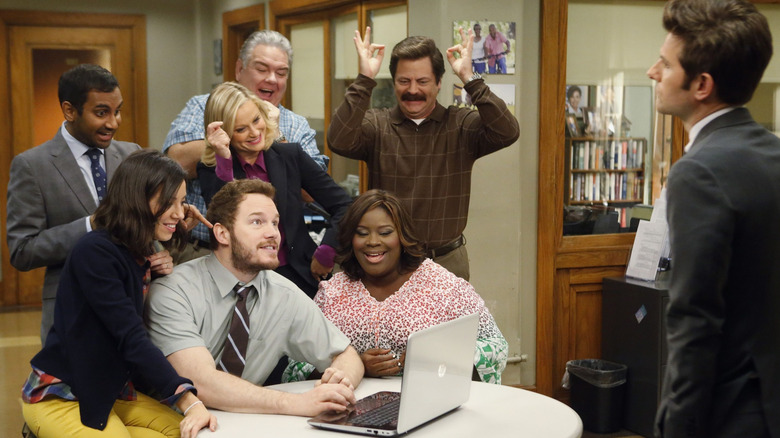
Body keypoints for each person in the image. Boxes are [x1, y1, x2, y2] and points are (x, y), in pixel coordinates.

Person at [647, 1, 780, 437]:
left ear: (701, 84)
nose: (653, 72)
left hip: (733, 412)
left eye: (665, 65)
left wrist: (676, 426)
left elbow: (695, 319)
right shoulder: (773, 154)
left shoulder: (698, 172)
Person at [20, 150, 216, 438]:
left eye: (182, 202)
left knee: (190, 433)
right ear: (137, 198)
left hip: (109, 391)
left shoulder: (137, 252)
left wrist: (167, 245)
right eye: (168, 202)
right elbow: (130, 337)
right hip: (63, 394)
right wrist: (188, 400)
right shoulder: (95, 251)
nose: (178, 212)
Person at [144, 179, 364, 417]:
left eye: (275, 223)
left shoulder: (283, 293)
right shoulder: (173, 290)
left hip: (244, 423)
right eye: (257, 222)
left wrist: (340, 383)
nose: (273, 233)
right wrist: (296, 403)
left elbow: (345, 354)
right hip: (170, 422)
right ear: (222, 233)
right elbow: (200, 383)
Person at [327, 27, 520, 280]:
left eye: (423, 81)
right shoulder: (377, 125)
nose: (413, 90)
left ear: (439, 83)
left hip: (447, 262)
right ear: (394, 82)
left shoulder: (461, 125)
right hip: (388, 264)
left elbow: (507, 131)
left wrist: (469, 77)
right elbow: (338, 139)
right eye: (404, 81)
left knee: (454, 323)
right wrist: (364, 79)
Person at [5, 64, 173, 344]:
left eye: (117, 111)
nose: (113, 123)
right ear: (70, 111)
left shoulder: (131, 154)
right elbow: (22, 250)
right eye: (101, 113)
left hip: (136, 311)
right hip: (74, 316)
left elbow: (144, 224)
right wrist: (90, 225)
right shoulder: (32, 166)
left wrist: (159, 253)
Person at [285, 190, 507, 384]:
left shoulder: (443, 286)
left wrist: (434, 356)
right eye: (362, 233)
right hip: (347, 409)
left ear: (402, 237)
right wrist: (355, 366)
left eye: (385, 232)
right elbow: (295, 367)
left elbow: (495, 347)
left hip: (427, 407)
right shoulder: (332, 293)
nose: (373, 241)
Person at [164, 30, 329, 263]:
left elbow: (313, 191)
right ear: (239, 69)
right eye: (262, 69)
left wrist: (273, 135)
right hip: (204, 250)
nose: (272, 79)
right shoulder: (202, 107)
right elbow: (176, 162)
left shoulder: (295, 125)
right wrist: (230, 141)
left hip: (276, 256)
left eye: (281, 73)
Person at [197, 81, 352, 297]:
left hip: (299, 273)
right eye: (241, 129)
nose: (254, 132)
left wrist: (327, 252)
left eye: (256, 120)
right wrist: (223, 157)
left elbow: (344, 205)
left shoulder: (290, 155)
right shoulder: (211, 169)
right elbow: (224, 222)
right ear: (224, 133)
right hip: (241, 279)